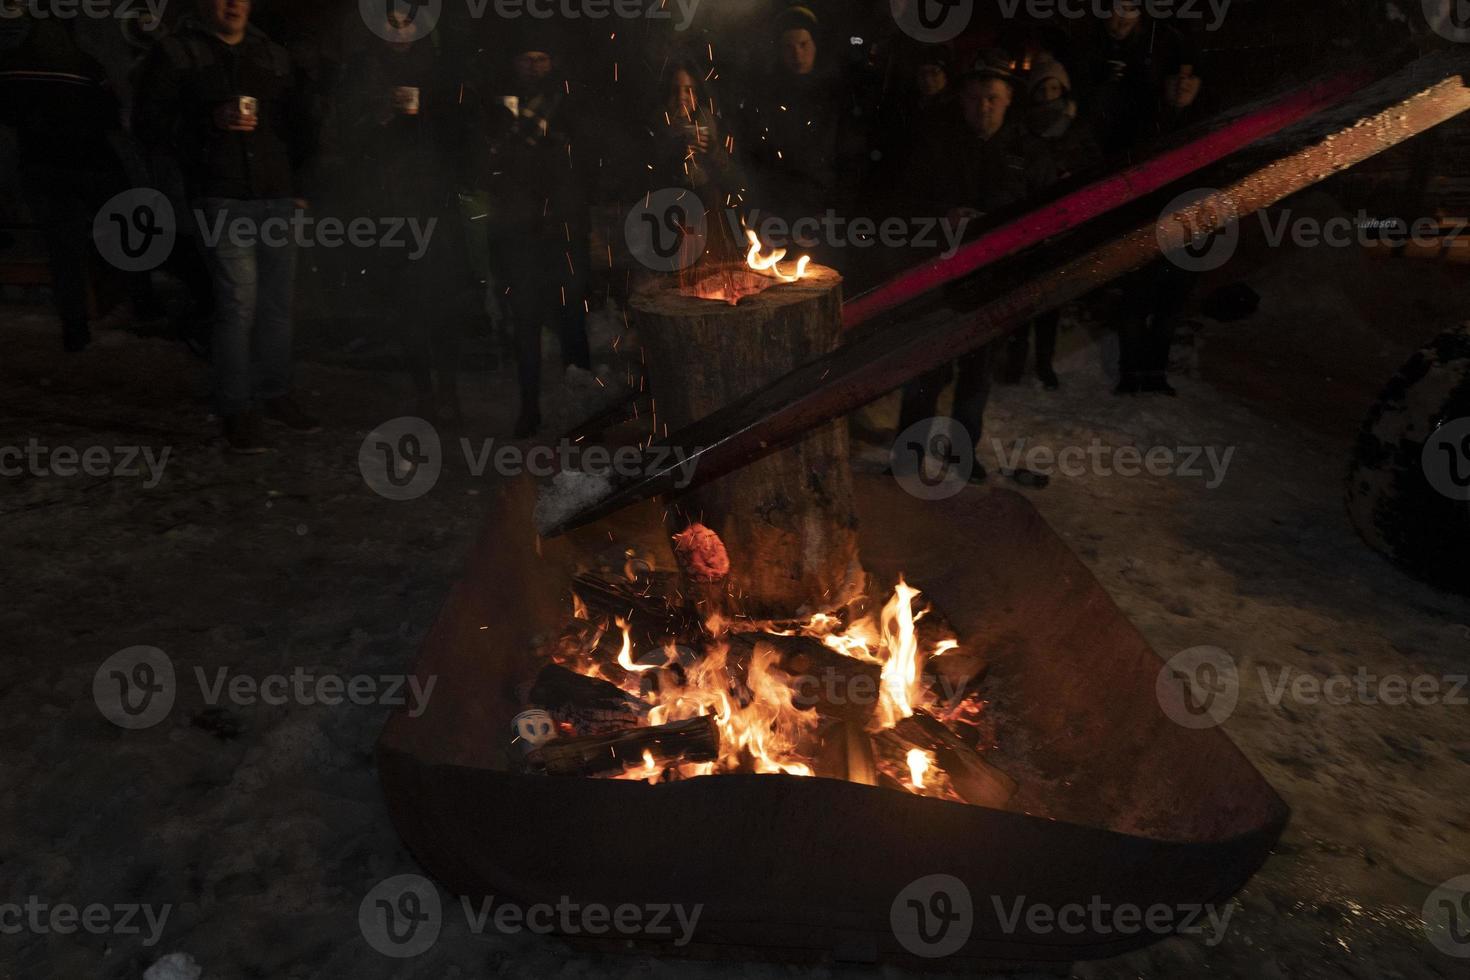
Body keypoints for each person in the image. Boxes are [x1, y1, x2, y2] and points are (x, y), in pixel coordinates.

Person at [133, 0, 319, 453]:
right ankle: (238, 406)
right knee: (238, 303)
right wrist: (207, 125)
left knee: (277, 303)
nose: (233, 4)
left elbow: (302, 124)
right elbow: (149, 124)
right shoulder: (178, 53)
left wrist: (300, 184)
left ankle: (275, 393)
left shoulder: (271, 55)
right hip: (221, 195)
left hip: (276, 197)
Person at [895, 58, 1057, 482]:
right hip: (941, 276)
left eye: (992, 99)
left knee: (977, 370)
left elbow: (1045, 211)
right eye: (973, 99)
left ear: (1007, 102)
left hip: (995, 278)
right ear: (961, 101)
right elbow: (906, 203)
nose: (982, 107)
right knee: (926, 366)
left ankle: (962, 451)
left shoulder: (1026, 152)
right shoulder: (937, 146)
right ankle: (910, 450)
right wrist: (942, 217)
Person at [335, 7, 464, 424]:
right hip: (391, 205)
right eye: (392, 23)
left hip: (437, 201)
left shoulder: (441, 69)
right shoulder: (363, 70)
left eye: (406, 22)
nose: (400, 31)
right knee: (409, 303)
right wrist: (381, 117)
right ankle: (425, 392)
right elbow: (346, 134)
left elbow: (460, 128)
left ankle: (449, 392)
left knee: (444, 301)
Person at [0, 16, 140, 353]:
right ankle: (141, 303)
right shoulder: (86, 65)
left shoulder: (12, 66)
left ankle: (75, 331)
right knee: (130, 232)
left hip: (41, 167)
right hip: (93, 163)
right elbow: (112, 117)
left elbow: (5, 112)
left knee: (64, 253)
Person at [479, 35, 591, 439]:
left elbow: (583, 162)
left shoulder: (568, 103)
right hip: (518, 231)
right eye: (527, 58)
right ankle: (529, 408)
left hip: (561, 229)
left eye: (541, 57)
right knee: (524, 321)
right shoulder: (497, 105)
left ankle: (583, 412)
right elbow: (487, 163)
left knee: (571, 319)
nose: (533, 66)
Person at [1112, 56, 1210, 397]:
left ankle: (1154, 372)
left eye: (1190, 77)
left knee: (1168, 310)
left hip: (1187, 237)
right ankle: (1130, 372)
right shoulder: (1143, 124)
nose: (1183, 84)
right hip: (1144, 232)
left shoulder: (1207, 128)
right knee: (1135, 307)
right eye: (1176, 76)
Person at [1002, 54, 1100, 391]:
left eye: (1054, 87)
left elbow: (1092, 167)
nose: (1048, 95)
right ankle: (1015, 361)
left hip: (1061, 226)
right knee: (1020, 298)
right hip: (1027, 224)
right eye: (1042, 88)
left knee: (1050, 299)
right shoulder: (1022, 129)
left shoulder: (1075, 128)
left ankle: (1044, 362)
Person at [646, 58, 744, 206]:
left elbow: (737, 183)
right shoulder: (653, 129)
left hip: (707, 213)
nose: (681, 97)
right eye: (675, 90)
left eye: (688, 90)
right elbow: (651, 178)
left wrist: (713, 152)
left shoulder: (713, 127)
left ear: (697, 94)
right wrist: (677, 152)